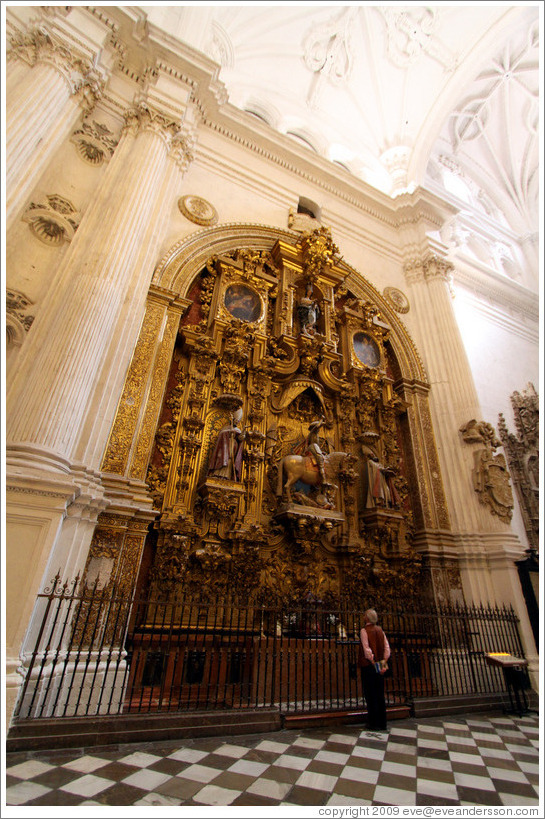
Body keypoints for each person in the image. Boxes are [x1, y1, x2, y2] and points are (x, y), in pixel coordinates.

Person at [358, 608, 391, 731]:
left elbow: (367, 651)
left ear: (367, 618)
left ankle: (373, 722)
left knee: (370, 694)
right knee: (379, 693)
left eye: (364, 616)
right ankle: (382, 722)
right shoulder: (380, 630)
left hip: (369, 666)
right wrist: (382, 663)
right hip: (381, 664)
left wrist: (374, 663)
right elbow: (387, 649)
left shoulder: (364, 631)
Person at [208, 408, 246, 481]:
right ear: (232, 420)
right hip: (225, 446)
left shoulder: (238, 430)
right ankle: (217, 474)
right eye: (235, 421)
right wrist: (228, 433)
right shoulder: (226, 428)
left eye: (237, 421)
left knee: (230, 461)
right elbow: (221, 436)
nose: (236, 422)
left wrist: (243, 434)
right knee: (222, 458)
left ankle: (227, 476)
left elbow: (240, 439)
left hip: (233, 446)